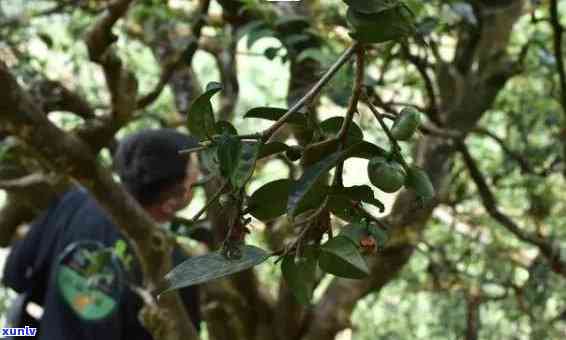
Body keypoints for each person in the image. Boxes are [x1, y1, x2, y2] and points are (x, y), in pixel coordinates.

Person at [2, 128, 202, 339]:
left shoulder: (75, 202)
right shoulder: (177, 268)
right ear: (171, 202)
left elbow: (14, 276)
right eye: (195, 180)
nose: (200, 179)